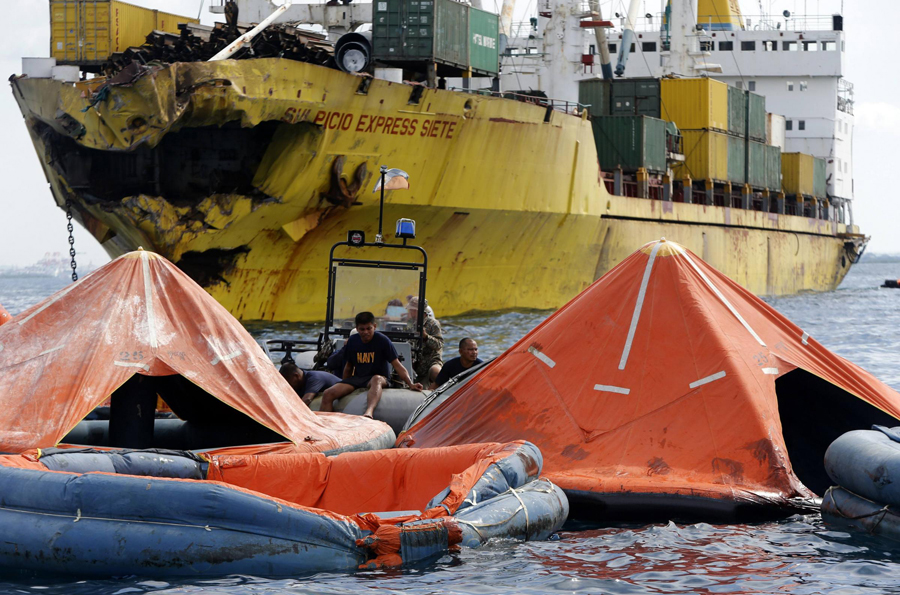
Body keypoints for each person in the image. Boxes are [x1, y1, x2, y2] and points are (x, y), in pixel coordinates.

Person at [321, 311, 422, 418]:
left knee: (376, 379)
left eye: (369, 328)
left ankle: (369, 412)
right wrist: (344, 384)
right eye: (362, 329)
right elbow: (349, 367)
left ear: (374, 326)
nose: (366, 332)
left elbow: (397, 365)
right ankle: (324, 423)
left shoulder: (383, 341)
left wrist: (411, 384)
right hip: (358, 378)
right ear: (357, 328)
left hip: (379, 378)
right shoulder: (352, 341)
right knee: (328, 393)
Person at [406, 296, 443, 387]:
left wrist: (426, 337)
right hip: (415, 364)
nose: (410, 312)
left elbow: (439, 345)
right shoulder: (411, 324)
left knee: (436, 372)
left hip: (431, 361)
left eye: (413, 310)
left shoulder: (433, 324)